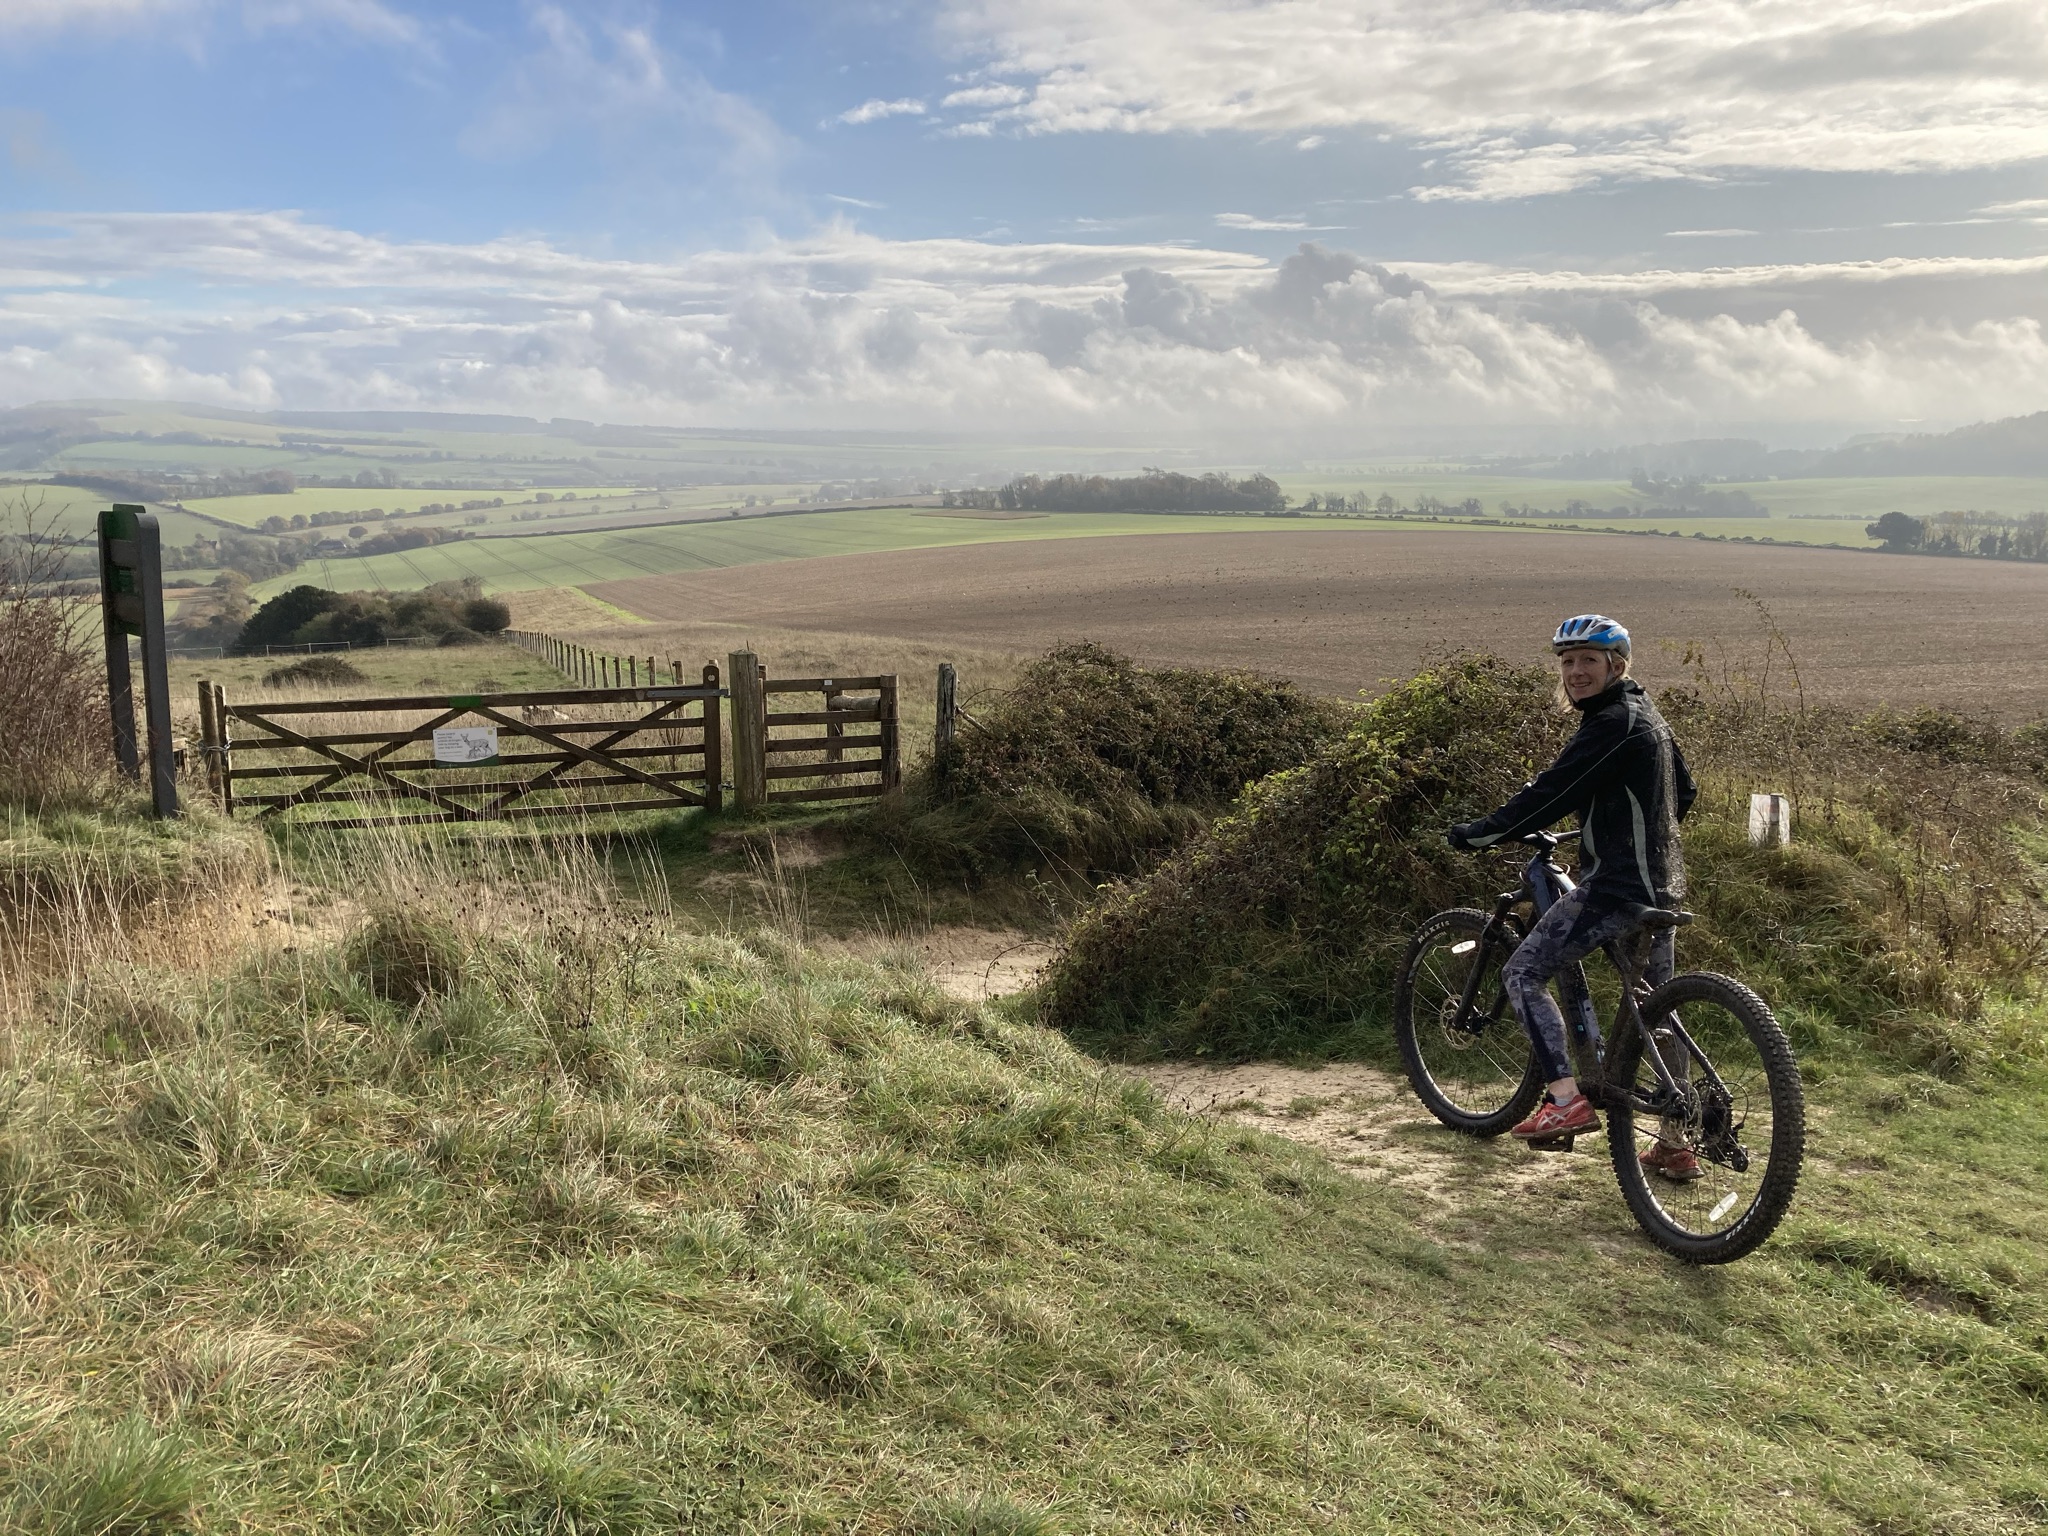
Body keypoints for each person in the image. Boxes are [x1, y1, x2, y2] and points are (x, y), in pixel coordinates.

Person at [1445, 614, 1703, 1180]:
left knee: (1521, 973)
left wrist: (1479, 833)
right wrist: (1617, 833)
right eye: (1567, 661)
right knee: (1657, 1009)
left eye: (1589, 660)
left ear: (1617, 665)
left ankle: (1564, 1099)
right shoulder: (1648, 716)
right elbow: (1682, 792)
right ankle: (1674, 1141)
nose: (1575, 671)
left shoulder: (1611, 722)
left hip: (1615, 890)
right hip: (1662, 883)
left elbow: (1550, 793)